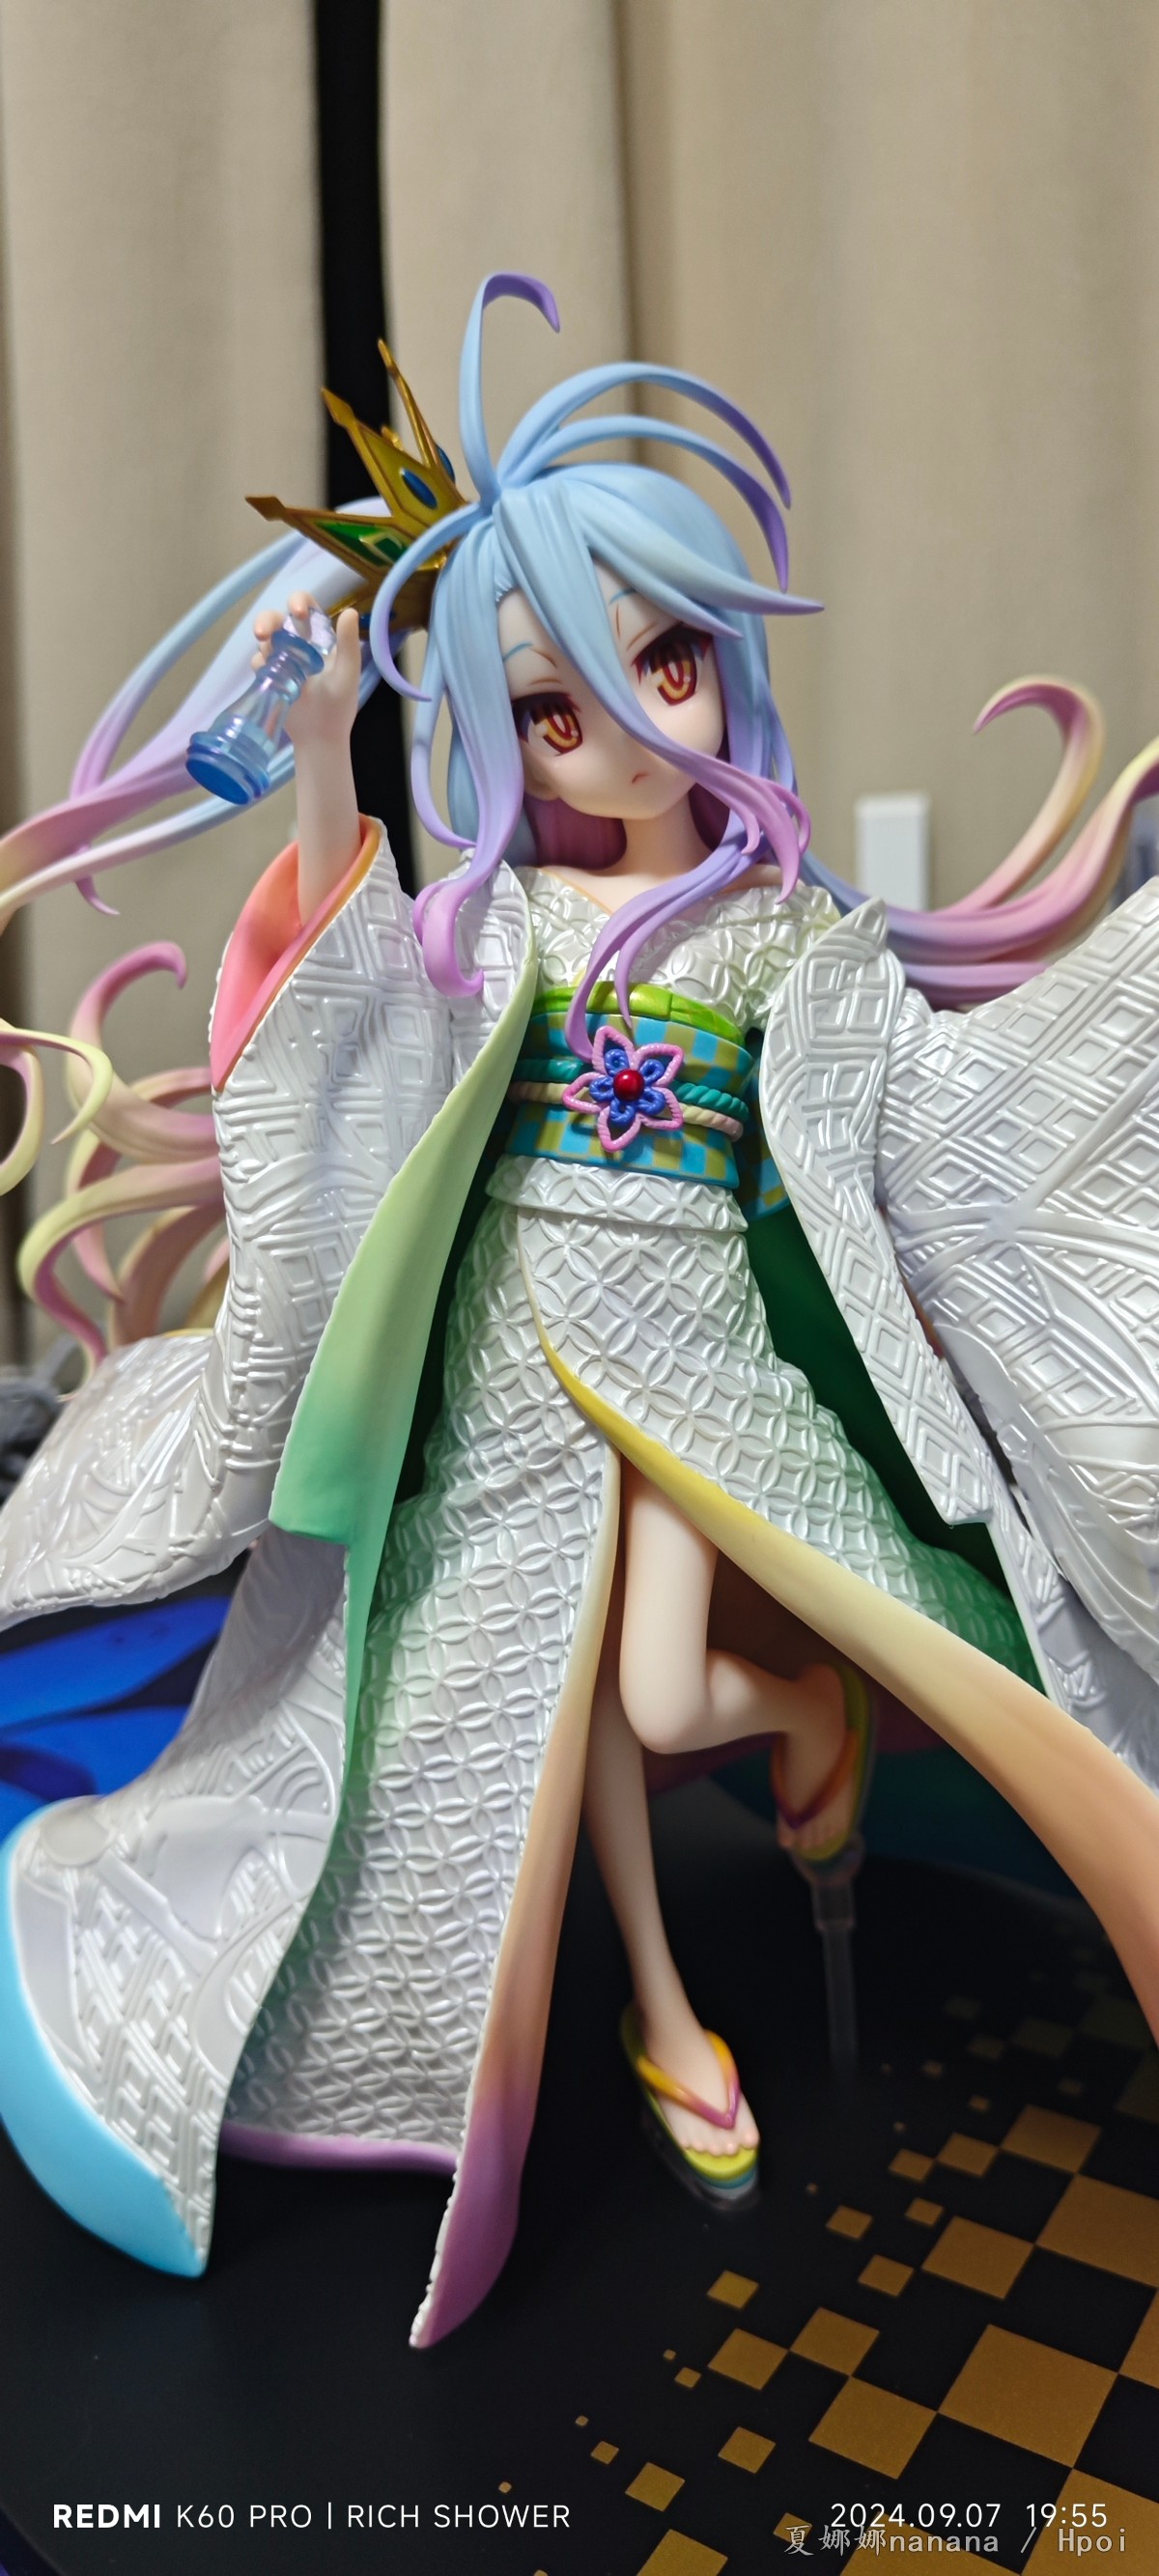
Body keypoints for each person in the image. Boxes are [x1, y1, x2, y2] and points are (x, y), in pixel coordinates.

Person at [0, 274, 1156, 2349]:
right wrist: (325, 742)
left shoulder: (782, 937)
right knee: (540, 1715)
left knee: (653, 1688)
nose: (622, 732)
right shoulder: (506, 918)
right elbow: (360, 1007)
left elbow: (927, 1136)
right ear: (502, 731)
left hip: (690, 1348)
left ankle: (801, 1724)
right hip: (518, 1356)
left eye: (665, 665)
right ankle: (666, 2008)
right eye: (554, 709)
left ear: (722, 666)